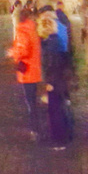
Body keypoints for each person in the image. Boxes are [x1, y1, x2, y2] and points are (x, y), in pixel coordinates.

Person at [37, 9, 71, 149]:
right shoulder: (54, 41)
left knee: (55, 111)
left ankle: (60, 139)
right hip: (58, 80)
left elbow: (51, 65)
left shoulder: (50, 44)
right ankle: (63, 136)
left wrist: (49, 83)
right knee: (58, 109)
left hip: (54, 82)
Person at [10, 6, 42, 139]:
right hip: (34, 68)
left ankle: (34, 128)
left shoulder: (22, 30)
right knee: (33, 99)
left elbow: (23, 50)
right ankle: (36, 126)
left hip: (27, 70)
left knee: (30, 101)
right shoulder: (33, 28)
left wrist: (13, 53)